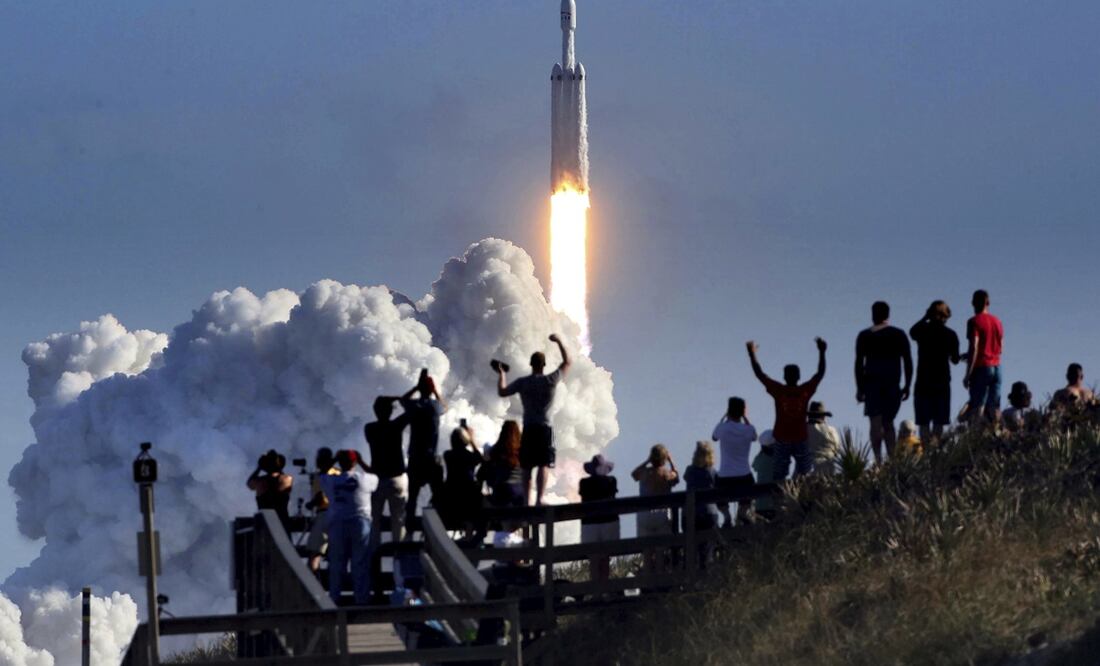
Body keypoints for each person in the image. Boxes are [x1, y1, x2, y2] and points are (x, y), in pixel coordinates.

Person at [496, 334, 571, 506]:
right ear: (543, 365)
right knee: (544, 464)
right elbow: (567, 362)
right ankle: (539, 499)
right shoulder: (550, 380)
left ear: (531, 364)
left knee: (527, 466)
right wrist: (559, 341)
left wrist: (501, 374)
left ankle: (526, 501)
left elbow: (502, 392)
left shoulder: (523, 383)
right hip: (545, 427)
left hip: (529, 427)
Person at [746, 337, 828, 481]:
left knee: (780, 475)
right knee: (805, 473)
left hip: (783, 437)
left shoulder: (779, 390)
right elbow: (819, 374)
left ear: (784, 376)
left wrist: (752, 355)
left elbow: (760, 375)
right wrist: (822, 352)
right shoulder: (804, 391)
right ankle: (802, 499)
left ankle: (781, 499)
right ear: (799, 377)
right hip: (799, 437)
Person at [855, 301, 914, 463]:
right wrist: (908, 384)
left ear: (873, 314)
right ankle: (892, 458)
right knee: (888, 422)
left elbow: (859, 364)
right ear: (888, 315)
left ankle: (878, 459)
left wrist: (860, 388)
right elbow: (908, 361)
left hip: (872, 384)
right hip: (892, 384)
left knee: (875, 422)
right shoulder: (898, 334)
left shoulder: (865, 336)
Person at [319, 449, 378, 605]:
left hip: (338, 523)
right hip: (360, 523)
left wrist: (334, 460)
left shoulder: (332, 481)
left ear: (340, 463)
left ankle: (334, 599)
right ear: (355, 462)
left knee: (337, 563)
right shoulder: (365, 479)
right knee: (360, 562)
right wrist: (362, 461)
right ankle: (361, 600)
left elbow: (321, 473)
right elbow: (376, 475)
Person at [400, 370, 448, 531]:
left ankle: (409, 525)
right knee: (439, 495)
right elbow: (444, 407)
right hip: (431, 458)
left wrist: (417, 387)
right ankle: (439, 524)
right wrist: (433, 390)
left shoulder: (414, 406)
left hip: (415, 457)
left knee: (412, 495)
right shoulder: (434, 407)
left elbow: (403, 400)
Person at [909, 301, 961, 441]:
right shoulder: (950, 335)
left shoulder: (923, 330)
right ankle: (935, 452)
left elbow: (912, 332)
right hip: (942, 381)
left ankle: (926, 452)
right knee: (939, 421)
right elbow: (955, 359)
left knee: (923, 422)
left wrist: (924, 317)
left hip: (923, 380)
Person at [364, 396, 410, 544]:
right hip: (397, 478)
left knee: (374, 519)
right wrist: (399, 398)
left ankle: (374, 552)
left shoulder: (370, 428)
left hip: (377, 479)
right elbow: (410, 410)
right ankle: (399, 551)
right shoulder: (396, 426)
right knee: (398, 519)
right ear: (391, 411)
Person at [632, 444, 679, 574]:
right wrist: (671, 461)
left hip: (644, 514)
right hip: (662, 514)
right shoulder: (666, 474)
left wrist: (647, 461)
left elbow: (633, 474)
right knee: (660, 550)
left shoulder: (644, 473)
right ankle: (659, 579)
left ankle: (648, 580)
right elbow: (677, 477)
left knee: (647, 551)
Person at [477, 421, 526, 546]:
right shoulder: (522, 452)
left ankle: (480, 535)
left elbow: (485, 462)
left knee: (482, 504)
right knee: (515, 521)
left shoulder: (496, 451)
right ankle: (520, 548)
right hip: (520, 495)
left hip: (502, 492)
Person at [711, 397, 757, 525]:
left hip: (725, 476)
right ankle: (742, 513)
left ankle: (726, 516)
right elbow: (755, 437)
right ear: (743, 411)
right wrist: (746, 417)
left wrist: (724, 418)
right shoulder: (748, 429)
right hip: (744, 476)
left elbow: (714, 437)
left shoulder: (723, 428)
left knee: (717, 494)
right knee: (749, 495)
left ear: (728, 410)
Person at [963, 289, 1004, 424]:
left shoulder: (974, 321)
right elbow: (1000, 348)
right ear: (988, 303)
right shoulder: (997, 322)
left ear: (973, 303)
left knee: (978, 407)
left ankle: (976, 438)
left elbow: (974, 347)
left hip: (982, 367)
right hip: (997, 366)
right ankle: (997, 436)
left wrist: (968, 374)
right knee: (994, 407)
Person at [578, 454, 618, 583]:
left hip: (589, 523)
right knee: (605, 558)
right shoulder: (611, 481)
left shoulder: (584, 483)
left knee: (593, 560)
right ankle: (604, 588)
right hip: (609, 521)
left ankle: (596, 592)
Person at [441, 425, 484, 534]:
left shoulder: (448, 455)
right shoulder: (470, 456)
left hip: (451, 492)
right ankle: (470, 535)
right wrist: (471, 440)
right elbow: (480, 458)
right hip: (469, 493)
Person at [305, 447, 339, 572]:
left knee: (315, 551)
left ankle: (312, 578)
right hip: (339, 514)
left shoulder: (321, 476)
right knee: (337, 551)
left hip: (324, 513)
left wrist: (311, 504)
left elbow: (320, 496)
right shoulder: (338, 473)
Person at [247, 450, 294, 531]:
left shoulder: (261, 482)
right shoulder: (287, 479)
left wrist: (259, 468)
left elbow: (249, 484)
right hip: (282, 523)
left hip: (265, 524)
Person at [806, 402, 841, 475]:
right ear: (823, 417)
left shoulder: (801, 431)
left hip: (805, 472)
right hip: (828, 470)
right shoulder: (832, 431)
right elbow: (836, 450)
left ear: (808, 416)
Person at [751, 431, 778, 519]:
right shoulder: (777, 459)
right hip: (774, 503)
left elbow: (754, 466)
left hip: (760, 503)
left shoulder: (760, 458)